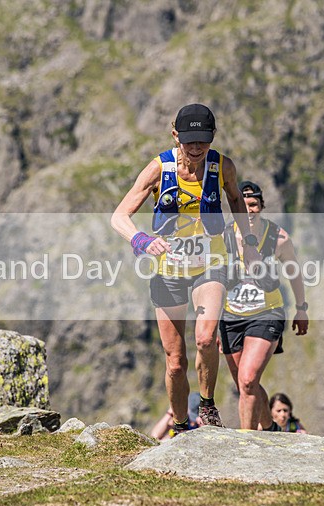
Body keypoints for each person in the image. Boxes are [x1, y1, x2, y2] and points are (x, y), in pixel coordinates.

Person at [111, 103, 261, 436]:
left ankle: (206, 404)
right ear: (175, 134)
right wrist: (141, 240)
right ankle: (180, 425)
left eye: (203, 142)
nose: (195, 149)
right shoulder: (158, 169)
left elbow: (235, 200)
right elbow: (119, 216)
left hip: (211, 264)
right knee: (175, 361)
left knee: (206, 338)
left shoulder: (223, 166)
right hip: (169, 270)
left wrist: (247, 243)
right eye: (189, 141)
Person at [219, 180, 309, 431]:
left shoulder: (278, 238)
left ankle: (246, 441)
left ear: (261, 206)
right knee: (244, 384)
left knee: (248, 380)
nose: (249, 210)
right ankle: (270, 429)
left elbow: (295, 273)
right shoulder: (223, 237)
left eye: (254, 205)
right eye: (243, 205)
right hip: (231, 317)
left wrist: (301, 308)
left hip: (267, 314)